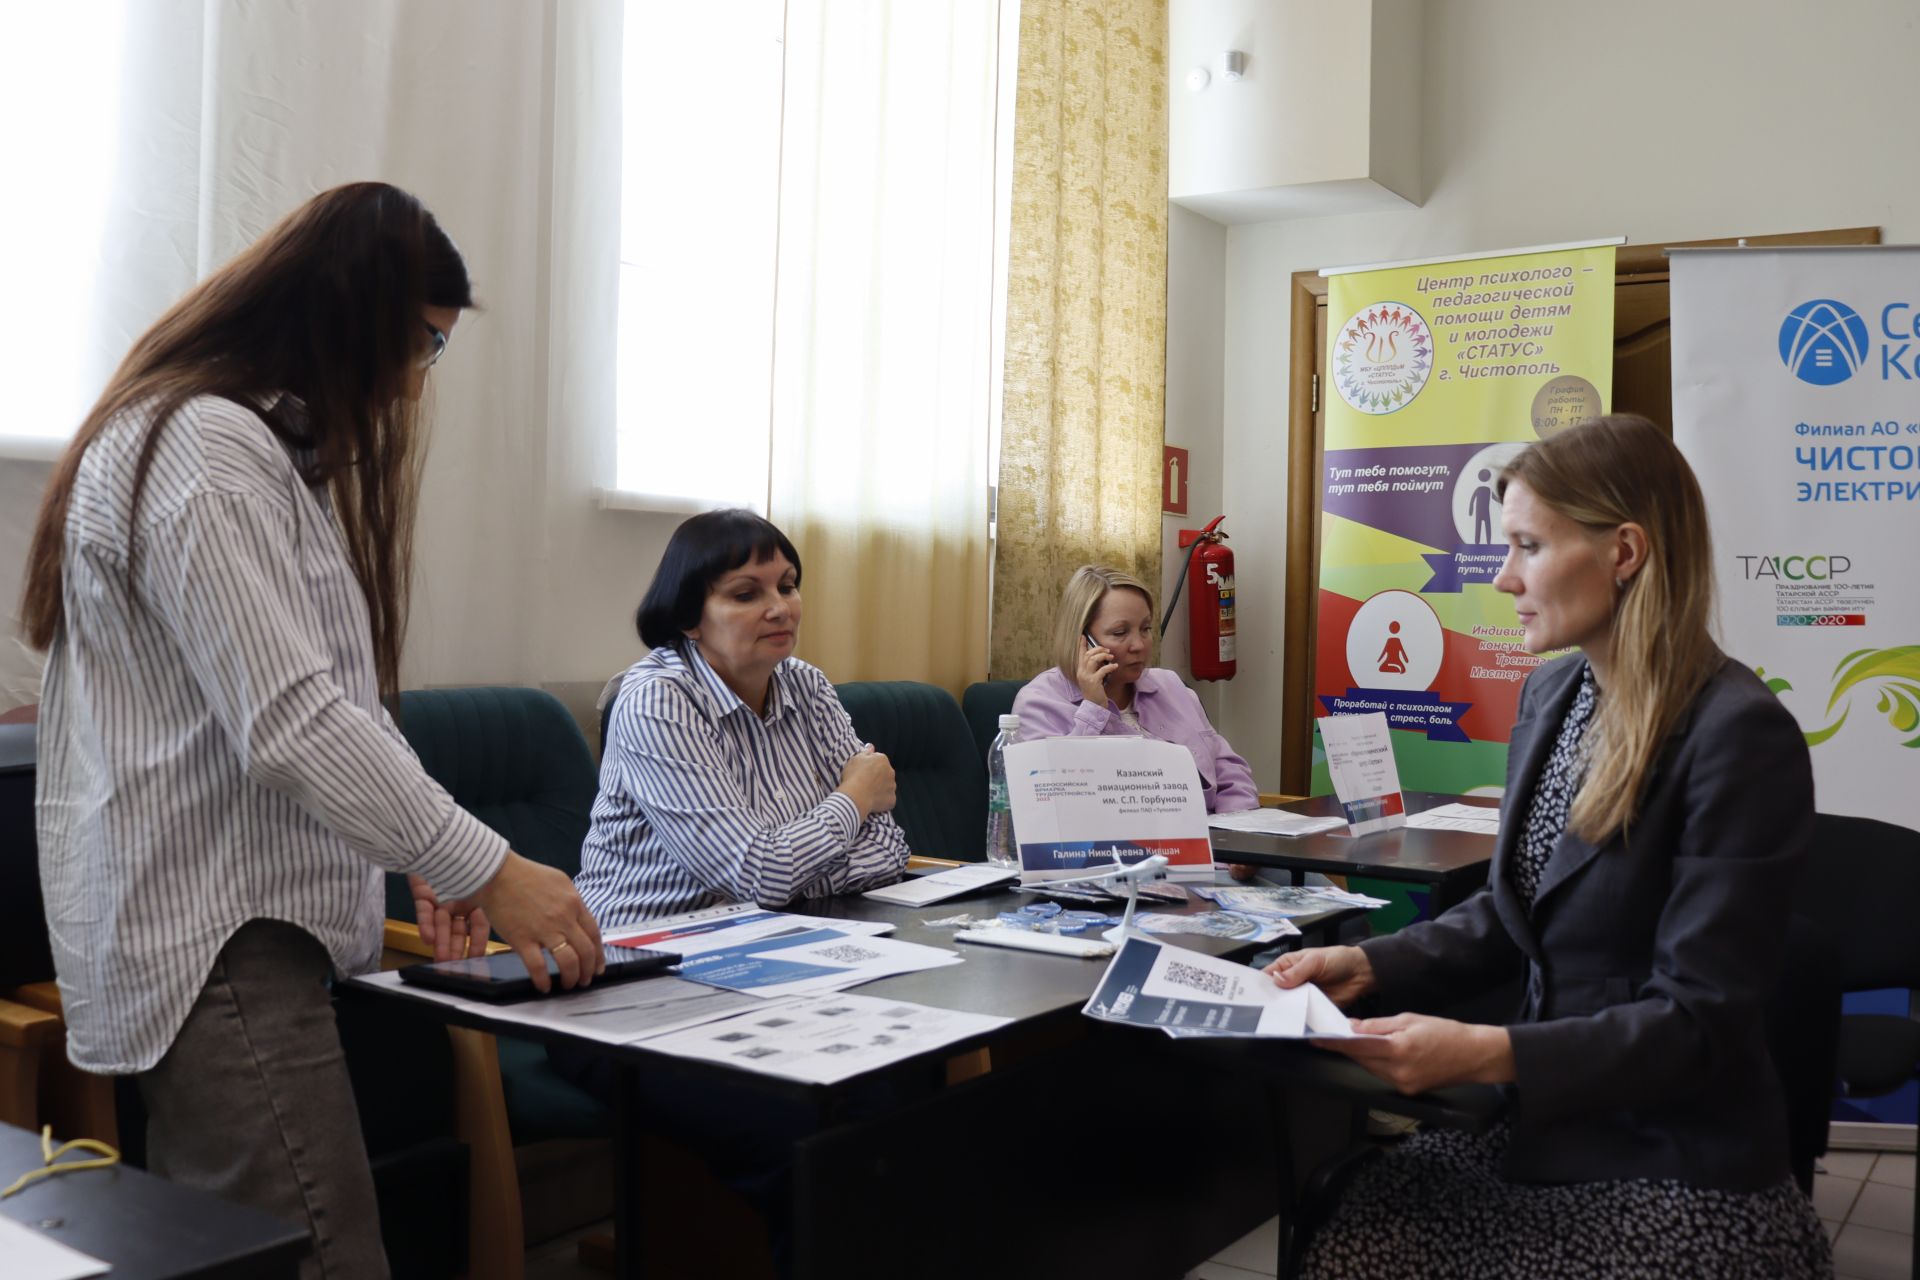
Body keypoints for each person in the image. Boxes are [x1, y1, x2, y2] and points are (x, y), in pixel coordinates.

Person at [22, 182, 604, 1279]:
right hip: (221, 945)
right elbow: (290, 723)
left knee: (275, 1254)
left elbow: (324, 703)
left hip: (239, 938)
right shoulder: (201, 447)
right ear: (350, 322)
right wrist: (488, 868)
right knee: (320, 1258)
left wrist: (420, 850)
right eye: (422, 346)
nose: (412, 381)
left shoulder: (238, 447)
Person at [1266, 416, 1831, 1278]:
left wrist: (1486, 1051)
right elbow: (1514, 910)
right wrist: (1371, 967)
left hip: (1676, 1159)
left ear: (1625, 552)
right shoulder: (1554, 693)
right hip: (1542, 1129)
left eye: (1529, 546)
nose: (1503, 578)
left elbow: (1698, 1025)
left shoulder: (1738, 736)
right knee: (1346, 1234)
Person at [575, 509, 909, 928]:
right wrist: (857, 794)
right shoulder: (657, 700)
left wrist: (788, 876)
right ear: (688, 619)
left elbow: (889, 848)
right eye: (746, 595)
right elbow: (758, 876)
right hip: (648, 947)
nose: (780, 609)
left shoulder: (807, 684)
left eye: (787, 587)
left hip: (779, 931)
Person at [1013, 564, 1263, 878]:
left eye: (1145, 628)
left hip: (1215, 855)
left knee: (1320, 893)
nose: (1139, 645)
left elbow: (1229, 772)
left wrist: (1241, 843)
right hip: (1118, 870)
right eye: (1120, 632)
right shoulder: (1039, 702)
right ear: (1082, 641)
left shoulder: (1170, 686)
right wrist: (1093, 708)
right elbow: (1059, 807)